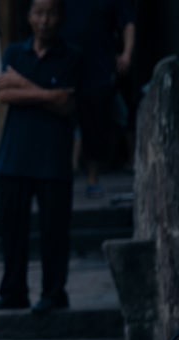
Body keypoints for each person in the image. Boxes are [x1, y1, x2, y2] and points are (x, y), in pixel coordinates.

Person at [0, 0, 80, 315]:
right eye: (39, 13)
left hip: (53, 159)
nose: (45, 20)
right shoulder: (14, 52)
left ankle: (54, 293)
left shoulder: (70, 56)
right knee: (12, 231)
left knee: (54, 232)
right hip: (13, 157)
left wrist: (24, 87)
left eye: (52, 13)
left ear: (60, 18)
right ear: (29, 17)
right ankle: (14, 292)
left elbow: (68, 105)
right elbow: (3, 93)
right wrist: (50, 94)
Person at [60, 0, 135, 198]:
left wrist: (126, 53)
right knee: (61, 119)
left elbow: (128, 22)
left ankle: (93, 177)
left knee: (96, 123)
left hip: (98, 65)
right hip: (66, 63)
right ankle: (63, 174)